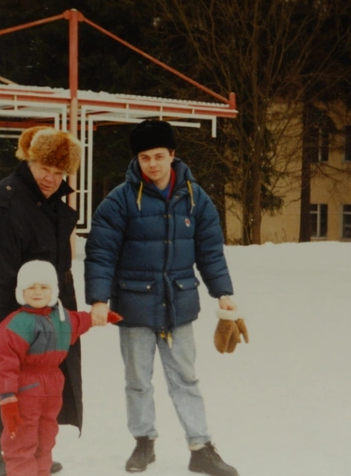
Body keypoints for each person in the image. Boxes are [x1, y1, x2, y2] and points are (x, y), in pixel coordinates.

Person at [85, 120, 241, 476]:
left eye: (158, 156)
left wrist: (224, 292)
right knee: (137, 380)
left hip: (179, 304)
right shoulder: (120, 199)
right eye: (144, 157)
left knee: (185, 378)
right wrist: (98, 298)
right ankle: (143, 442)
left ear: (173, 155)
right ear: (137, 159)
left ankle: (200, 447)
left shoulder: (195, 196)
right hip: (134, 306)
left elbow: (210, 251)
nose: (152, 164)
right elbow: (101, 252)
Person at [0, 126, 82, 476]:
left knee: (36, 392)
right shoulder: (4, 201)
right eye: (45, 167)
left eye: (59, 172)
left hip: (44, 320)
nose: (51, 177)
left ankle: (30, 452)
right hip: (4, 322)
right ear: (29, 160)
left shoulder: (49, 205)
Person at [0, 260, 121, 476]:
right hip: (26, 389)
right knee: (22, 442)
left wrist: (103, 316)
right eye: (30, 287)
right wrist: (7, 397)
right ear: (21, 291)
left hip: (52, 388)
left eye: (43, 287)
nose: (37, 292)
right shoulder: (15, 325)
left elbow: (82, 320)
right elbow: (4, 363)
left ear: (53, 291)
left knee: (46, 439)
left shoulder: (62, 318)